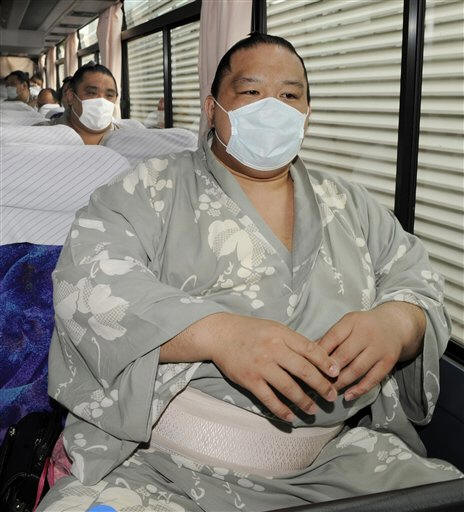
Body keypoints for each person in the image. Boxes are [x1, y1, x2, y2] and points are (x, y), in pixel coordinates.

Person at [38, 33, 462, 511]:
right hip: (157, 465)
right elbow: (87, 285)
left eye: (290, 95)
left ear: (307, 113)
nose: (273, 108)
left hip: (337, 463)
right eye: (251, 91)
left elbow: (417, 280)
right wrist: (217, 334)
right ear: (212, 107)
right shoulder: (146, 188)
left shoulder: (351, 204)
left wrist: (397, 323)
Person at [35, 63, 121, 144]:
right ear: (71, 96)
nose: (102, 101)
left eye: (109, 95)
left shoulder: (126, 137)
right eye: (91, 93)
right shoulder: (39, 134)